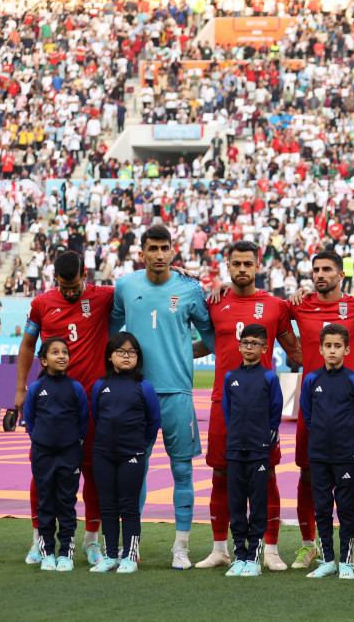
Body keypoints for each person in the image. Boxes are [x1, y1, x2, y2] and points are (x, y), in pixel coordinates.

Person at [110, 225, 215, 569]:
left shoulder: (190, 288)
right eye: (152, 248)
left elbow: (212, 338)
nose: (158, 254)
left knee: (182, 472)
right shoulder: (125, 285)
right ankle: (132, 548)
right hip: (136, 393)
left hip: (177, 393)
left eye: (164, 248)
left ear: (173, 252)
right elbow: (112, 332)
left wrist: (184, 350)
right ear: (141, 253)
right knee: (134, 472)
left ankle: (180, 549)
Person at [197, 241, 300, 572]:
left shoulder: (276, 306)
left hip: (260, 409)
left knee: (266, 474)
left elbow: (295, 351)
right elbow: (206, 345)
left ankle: (269, 549)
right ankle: (220, 549)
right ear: (227, 266)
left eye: (248, 264)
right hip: (221, 402)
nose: (242, 269)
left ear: (259, 267)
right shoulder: (214, 302)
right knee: (221, 473)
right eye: (236, 263)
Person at [16, 250, 113, 566]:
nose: (70, 292)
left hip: (93, 405)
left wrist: (176, 270)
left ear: (85, 274)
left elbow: (145, 285)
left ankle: (91, 541)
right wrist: (20, 387)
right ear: (54, 278)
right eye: (64, 286)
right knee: (41, 473)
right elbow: (29, 344)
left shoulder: (103, 297)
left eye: (75, 286)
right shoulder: (41, 304)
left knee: (92, 472)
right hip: (52, 406)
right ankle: (39, 541)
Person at [289, 250, 354, 571]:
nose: (320, 274)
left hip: (348, 410)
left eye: (327, 269)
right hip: (314, 403)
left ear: (341, 275)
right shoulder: (298, 304)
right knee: (308, 473)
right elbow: (275, 320)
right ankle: (309, 545)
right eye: (316, 270)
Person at [299, 323, 354, 580]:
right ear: (320, 349)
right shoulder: (311, 379)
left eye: (337, 346)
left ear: (346, 349)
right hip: (318, 454)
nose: (332, 350)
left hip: (345, 455)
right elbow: (308, 414)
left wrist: (344, 438)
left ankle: (347, 561)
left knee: (346, 509)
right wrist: (321, 435)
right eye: (328, 346)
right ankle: (328, 560)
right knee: (322, 508)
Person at [90, 332, 160, 574]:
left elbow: (153, 422)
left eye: (131, 352)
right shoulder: (100, 386)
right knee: (108, 506)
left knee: (129, 506)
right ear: (110, 356)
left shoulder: (144, 387)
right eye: (121, 351)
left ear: (138, 357)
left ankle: (129, 557)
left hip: (132, 453)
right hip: (103, 453)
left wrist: (139, 446)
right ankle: (110, 556)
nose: (126, 355)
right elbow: (97, 416)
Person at [221, 323, 283, 578]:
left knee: (257, 504)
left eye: (255, 343)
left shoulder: (269, 377)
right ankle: (239, 556)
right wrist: (237, 434)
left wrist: (264, 438)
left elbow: (275, 412)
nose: (249, 347)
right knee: (236, 504)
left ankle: (254, 557)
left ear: (264, 348)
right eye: (245, 342)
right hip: (235, 448)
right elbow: (227, 411)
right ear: (239, 345)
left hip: (259, 449)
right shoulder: (230, 377)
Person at [22, 337, 89, 572]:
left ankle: (65, 555)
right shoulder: (37, 388)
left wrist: (71, 444)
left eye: (65, 352)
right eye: (55, 352)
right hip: (43, 454)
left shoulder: (75, 388)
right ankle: (47, 553)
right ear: (43, 360)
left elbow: (83, 420)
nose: (61, 356)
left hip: (70, 455)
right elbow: (29, 420)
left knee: (66, 504)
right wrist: (41, 441)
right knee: (45, 504)